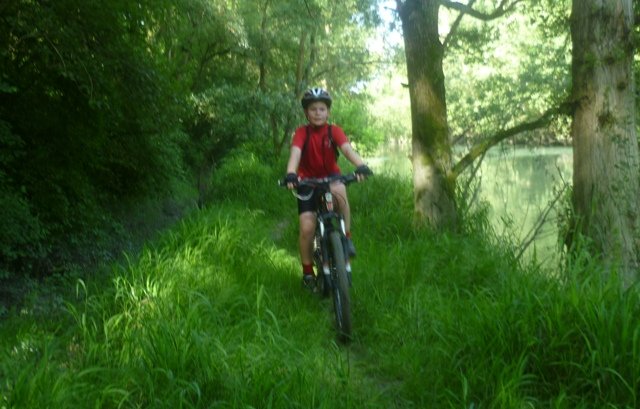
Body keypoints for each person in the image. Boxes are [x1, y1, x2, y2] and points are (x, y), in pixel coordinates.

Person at [284, 87, 372, 290]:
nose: (317, 113)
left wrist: (360, 166)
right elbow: (295, 155)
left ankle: (346, 238)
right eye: (313, 109)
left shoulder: (334, 131)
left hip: (331, 177)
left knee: (340, 192)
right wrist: (291, 174)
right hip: (307, 181)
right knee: (307, 227)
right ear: (307, 113)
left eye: (322, 109)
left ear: (328, 112)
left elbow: (347, 149)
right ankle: (307, 272)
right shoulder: (301, 133)